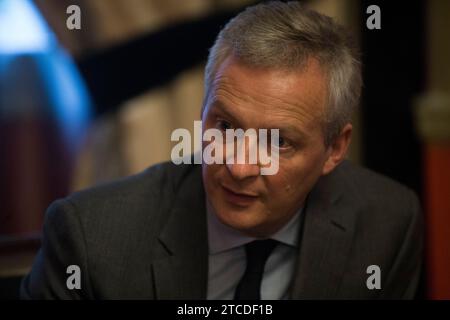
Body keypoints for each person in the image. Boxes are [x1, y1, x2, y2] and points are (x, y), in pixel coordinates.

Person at [21, 1, 423, 299]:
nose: (239, 166)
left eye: (278, 142)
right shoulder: (90, 238)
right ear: (203, 110)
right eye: (225, 127)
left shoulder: (387, 223)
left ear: (335, 148)